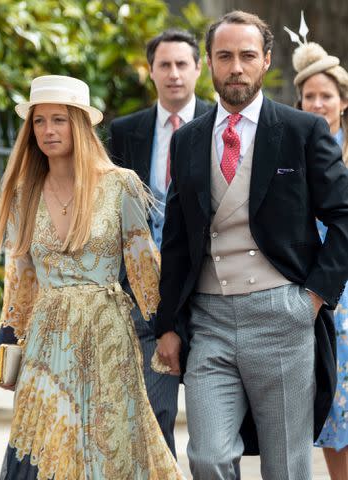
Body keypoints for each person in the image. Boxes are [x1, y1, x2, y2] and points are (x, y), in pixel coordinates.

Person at [154, 10, 348, 480]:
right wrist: (168, 325)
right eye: (224, 57)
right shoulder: (191, 139)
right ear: (210, 63)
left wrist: (312, 299)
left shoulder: (302, 132)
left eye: (246, 56)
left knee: (285, 466)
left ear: (265, 61)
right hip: (209, 320)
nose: (235, 67)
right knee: (207, 457)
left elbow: (343, 216)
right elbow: (177, 241)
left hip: (283, 316)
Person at [0, 74, 184, 479]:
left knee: (109, 446)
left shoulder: (120, 186)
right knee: (45, 447)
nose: (48, 131)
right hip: (46, 342)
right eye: (39, 121)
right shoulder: (23, 192)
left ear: (79, 123)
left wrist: (171, 331)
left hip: (106, 338)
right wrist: (8, 341)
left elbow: (145, 269)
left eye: (59, 119)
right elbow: (22, 278)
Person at [108, 29, 211, 457]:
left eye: (182, 64)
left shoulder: (219, 124)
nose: (173, 74)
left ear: (198, 69)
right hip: (143, 292)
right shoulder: (126, 130)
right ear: (150, 70)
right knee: (153, 411)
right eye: (164, 65)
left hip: (207, 286)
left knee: (210, 425)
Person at [289, 27, 348, 480]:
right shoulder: (294, 154)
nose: (317, 104)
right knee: (336, 414)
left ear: (342, 100)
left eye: (325, 95)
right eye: (309, 96)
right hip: (323, 296)